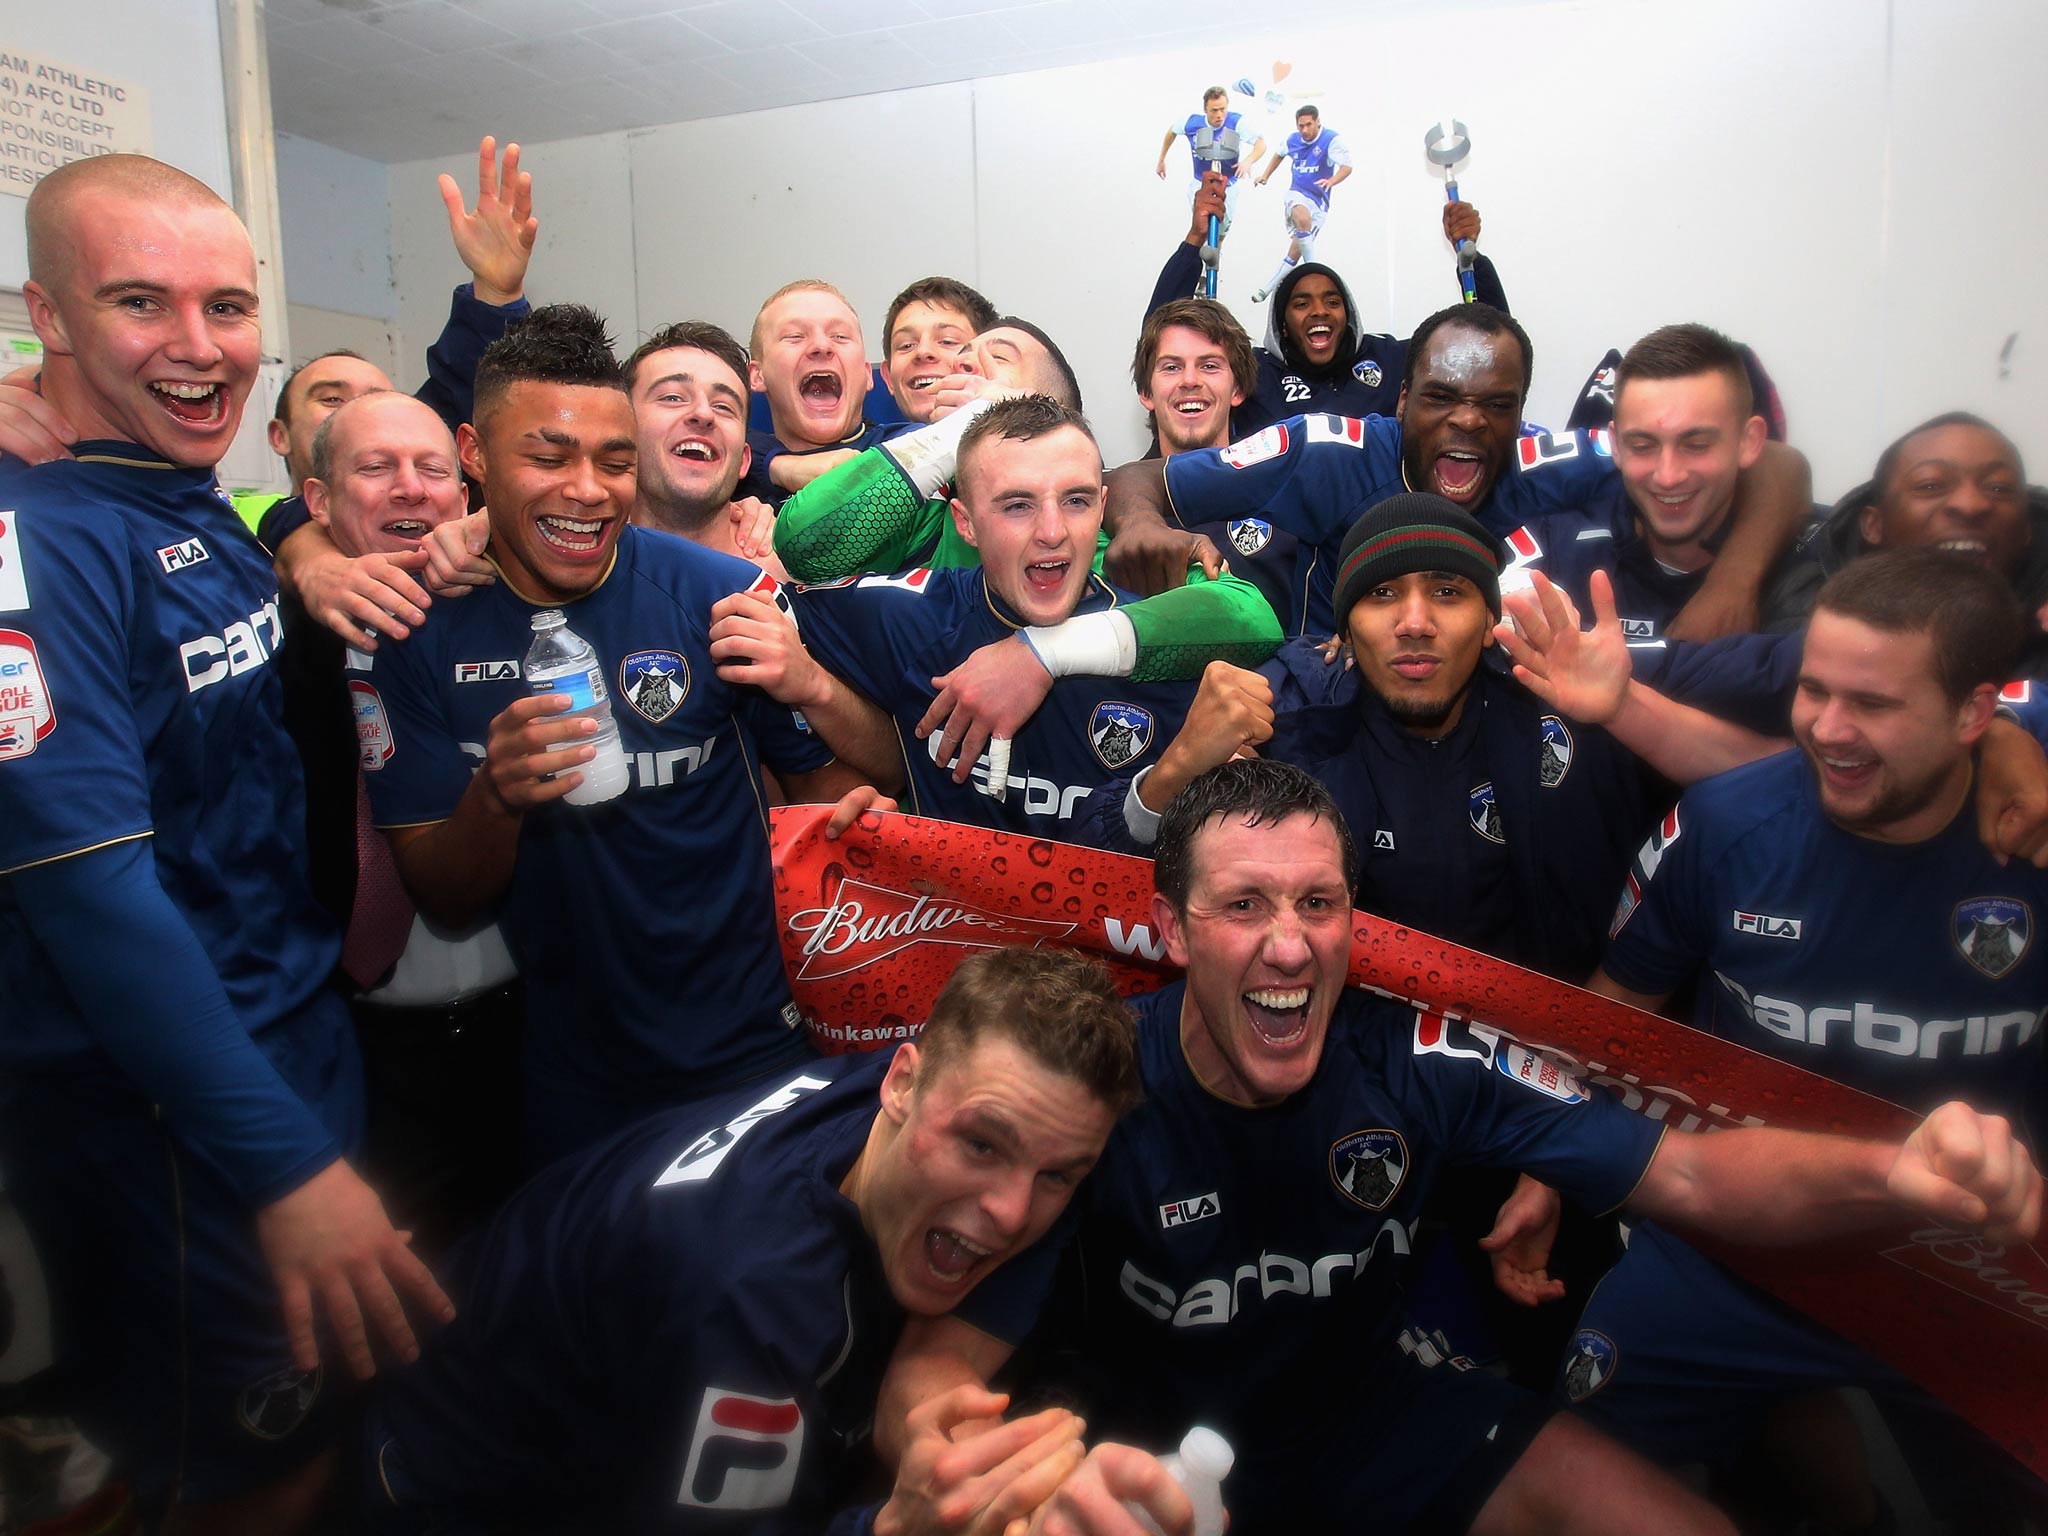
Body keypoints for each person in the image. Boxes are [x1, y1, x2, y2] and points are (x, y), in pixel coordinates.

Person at [881, 759, 2043, 1536]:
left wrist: (1894, 1172)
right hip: (1136, 1465)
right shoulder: (1102, 1083)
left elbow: (1687, 1171)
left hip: (1369, 1421)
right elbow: (941, 1358)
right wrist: (962, 1469)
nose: (1289, 948)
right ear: (1175, 925)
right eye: (1243, 907)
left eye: (1319, 905)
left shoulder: (1416, 1059)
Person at [0, 153, 451, 1528]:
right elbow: (92, 899)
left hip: (287, 1039)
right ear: (50, 317)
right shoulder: (37, 535)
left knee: (312, 1437)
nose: (200, 352)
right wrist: (286, 1168)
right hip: (170, 1120)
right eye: (141, 303)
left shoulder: (176, 485)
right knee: (236, 1470)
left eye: (229, 307)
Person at [359, 946, 1150, 1535]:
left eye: (1056, 1176)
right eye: (983, 1146)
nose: (1013, 1212)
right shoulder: (747, 1299)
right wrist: (896, 1526)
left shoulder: (931, 1087)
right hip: (447, 1490)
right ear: (902, 1084)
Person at [1572, 549, 2048, 1522]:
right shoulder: (1722, 825)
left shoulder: (2030, 832)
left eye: (1871, 704)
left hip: (1977, 1263)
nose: (1826, 730)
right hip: (1734, 1244)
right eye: (1812, 690)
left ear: (1973, 715)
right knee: (1573, 1463)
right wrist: (1552, 1168)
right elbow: (1608, 1021)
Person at [358, 304, 866, 1164]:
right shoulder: (416, 631)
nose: (588, 489)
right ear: (475, 457)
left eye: (615, 460)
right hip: (567, 1071)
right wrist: (498, 797)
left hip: (758, 1043)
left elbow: (825, 793)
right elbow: (444, 896)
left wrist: (860, 819)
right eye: (548, 457)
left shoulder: (718, 592)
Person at [1103, 301, 1813, 642]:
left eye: (1494, 405)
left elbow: (1776, 465)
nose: (1468, 423)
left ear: (1520, 415)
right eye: (1441, 398)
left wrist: (1734, 586)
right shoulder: (1324, 450)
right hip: (1334, 700)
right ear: (1403, 401)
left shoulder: (1540, 461)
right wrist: (1138, 522)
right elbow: (1137, 482)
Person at [789, 396, 1281, 837]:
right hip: (957, 932)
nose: (1052, 532)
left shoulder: (1155, 624)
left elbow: (1254, 619)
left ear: (1102, 506)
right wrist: (959, 429)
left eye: (1076, 501)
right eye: (1017, 505)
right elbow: (803, 547)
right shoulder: (916, 617)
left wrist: (1040, 655)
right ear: (966, 523)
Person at [289, 390, 525, 1256]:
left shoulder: (518, 606)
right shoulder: (275, 630)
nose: (410, 490)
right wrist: (304, 562)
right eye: (376, 468)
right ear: (317, 502)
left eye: (431, 470)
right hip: (359, 1039)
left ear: (464, 496)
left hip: (527, 1023)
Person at [1144, 172, 1500, 437]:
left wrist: (1473, 259)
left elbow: (1488, 350)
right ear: (1282, 324)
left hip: (1374, 527)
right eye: (1301, 303)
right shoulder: (1253, 373)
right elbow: (1162, 339)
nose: (1319, 311)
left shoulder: (1390, 360)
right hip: (1277, 532)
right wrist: (1194, 242)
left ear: (1348, 316)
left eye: (1332, 301)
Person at [1499, 323, 1792, 643]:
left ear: (1749, 442)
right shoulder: (1556, 545)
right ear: (1617, 445)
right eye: (1643, 446)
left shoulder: (1805, 569)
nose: (1668, 475)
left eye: (1696, 445)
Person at [1761, 412, 2048, 661]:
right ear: (1875, 526)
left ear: (2027, 530)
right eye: (1931, 485)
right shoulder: (1806, 607)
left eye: (1998, 488)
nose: (1970, 505)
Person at [1126, 297, 1307, 628]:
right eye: (1171, 367)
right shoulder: (1109, 507)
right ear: (1146, 393)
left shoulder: (1292, 495)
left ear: (1237, 388)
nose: (1190, 380)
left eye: (1209, 365)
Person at [742, 279, 897, 504]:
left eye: (840, 336)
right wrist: (775, 466)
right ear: (757, 376)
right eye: (795, 336)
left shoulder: (908, 445)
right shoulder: (729, 477)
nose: (822, 346)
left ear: (866, 375)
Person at [1249, 104, 1352, 303]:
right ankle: (1315, 271)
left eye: (1308, 125)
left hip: (1319, 202)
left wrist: (1331, 181)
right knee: (1301, 216)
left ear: (1317, 122)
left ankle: (1267, 289)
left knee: (1295, 253)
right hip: (1297, 194)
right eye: (1300, 126)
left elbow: (1347, 167)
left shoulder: (1331, 139)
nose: (1304, 130)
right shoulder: (1292, 140)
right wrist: (1265, 175)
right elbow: (1278, 154)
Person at [880, 275, 1000, 424]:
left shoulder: (1030, 441)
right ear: (888, 378)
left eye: (947, 341)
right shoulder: (867, 447)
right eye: (907, 345)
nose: (923, 352)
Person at [1155, 86, 1265, 244]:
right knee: (1202, 228)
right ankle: (1197, 261)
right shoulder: (1192, 123)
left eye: (1223, 109)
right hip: (1200, 183)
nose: (1219, 115)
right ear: (1205, 109)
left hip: (1228, 186)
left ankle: (1215, 258)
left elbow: (1261, 143)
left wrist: (1248, 161)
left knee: (1220, 232)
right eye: (1214, 110)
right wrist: (1161, 159)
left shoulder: (1237, 122)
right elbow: (1172, 131)